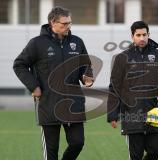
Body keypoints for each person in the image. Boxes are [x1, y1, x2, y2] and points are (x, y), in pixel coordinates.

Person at [13, 6, 93, 160]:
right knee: (52, 151)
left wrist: (86, 77)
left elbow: (86, 66)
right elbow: (19, 65)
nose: (68, 27)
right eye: (64, 24)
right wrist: (34, 86)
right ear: (53, 23)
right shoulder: (37, 43)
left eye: (69, 23)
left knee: (77, 143)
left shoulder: (77, 42)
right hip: (48, 103)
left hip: (73, 103)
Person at [107, 21, 158, 160]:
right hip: (131, 113)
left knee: (156, 150)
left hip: (154, 112)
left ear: (149, 35)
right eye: (138, 35)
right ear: (132, 36)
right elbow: (114, 87)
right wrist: (112, 114)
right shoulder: (122, 58)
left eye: (144, 35)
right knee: (135, 156)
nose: (142, 38)